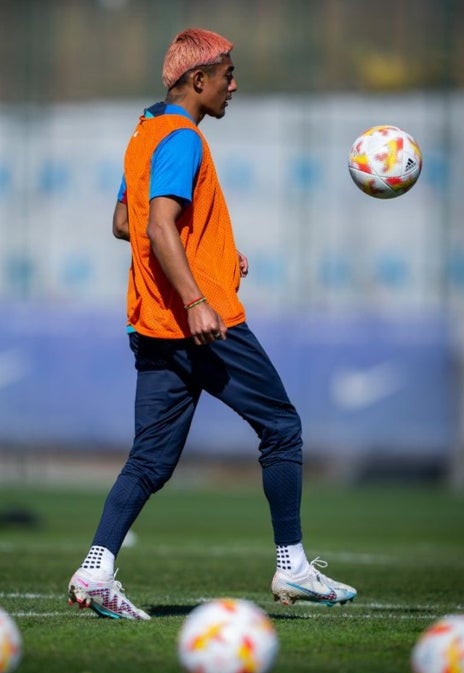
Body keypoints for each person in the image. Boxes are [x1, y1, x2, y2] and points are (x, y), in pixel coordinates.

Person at [68, 28, 356, 620]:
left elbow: (127, 220)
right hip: (201, 323)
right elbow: (158, 226)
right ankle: (292, 565)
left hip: (152, 322)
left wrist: (215, 256)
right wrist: (199, 295)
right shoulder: (181, 140)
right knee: (281, 426)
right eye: (228, 74)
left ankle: (95, 571)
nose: (234, 85)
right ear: (198, 81)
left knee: (149, 461)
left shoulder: (144, 134)